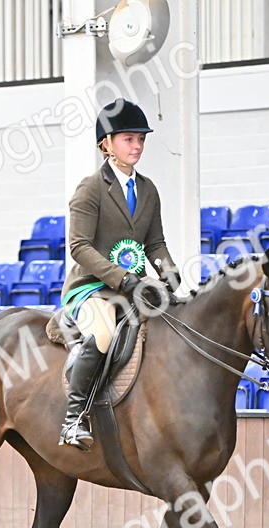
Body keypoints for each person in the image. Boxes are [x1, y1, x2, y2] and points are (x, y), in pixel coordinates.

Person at [58, 98, 180, 450]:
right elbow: (79, 247)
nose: (138, 146)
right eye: (128, 139)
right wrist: (121, 278)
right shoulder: (91, 188)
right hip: (93, 287)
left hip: (137, 287)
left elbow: (155, 242)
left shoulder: (148, 190)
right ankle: (74, 418)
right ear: (106, 144)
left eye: (141, 139)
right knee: (103, 332)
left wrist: (168, 272)